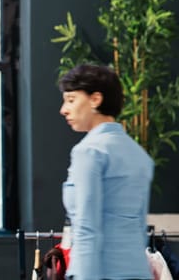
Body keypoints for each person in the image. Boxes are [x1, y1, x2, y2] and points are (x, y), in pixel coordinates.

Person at [58, 64, 153, 279]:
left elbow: (87, 229)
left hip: (100, 273)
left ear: (95, 99)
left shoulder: (89, 151)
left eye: (71, 100)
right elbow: (140, 230)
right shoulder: (139, 155)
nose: (63, 109)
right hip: (138, 272)